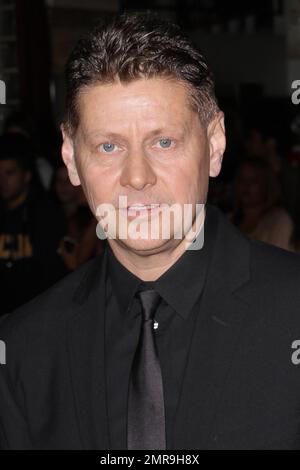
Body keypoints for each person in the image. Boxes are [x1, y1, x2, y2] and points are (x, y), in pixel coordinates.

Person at [0, 12, 300, 450]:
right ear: (70, 157)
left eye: (164, 142)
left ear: (214, 144)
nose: (137, 177)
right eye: (109, 146)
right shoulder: (23, 349)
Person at [0, 133, 66, 316]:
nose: (3, 180)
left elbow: (52, 272)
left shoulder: (45, 214)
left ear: (26, 175)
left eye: (9, 173)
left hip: (36, 312)